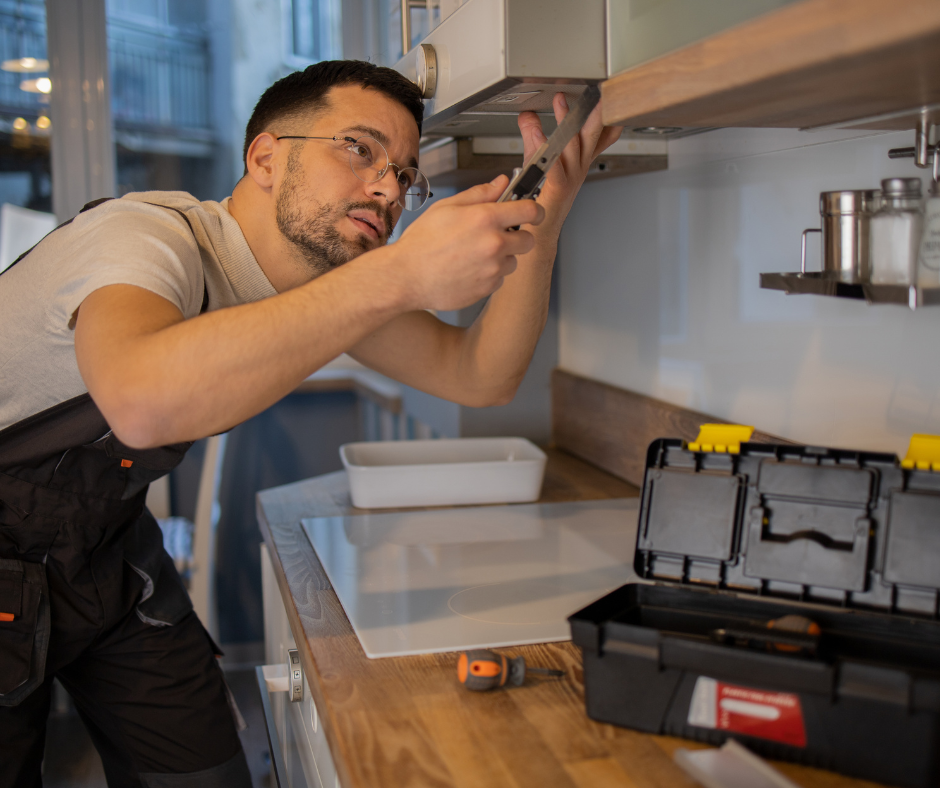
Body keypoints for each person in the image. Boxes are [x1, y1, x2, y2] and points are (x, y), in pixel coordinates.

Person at [0, 60, 621, 786]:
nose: (389, 189)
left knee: (206, 774)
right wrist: (398, 275)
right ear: (265, 157)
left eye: (403, 171)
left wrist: (540, 222)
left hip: (106, 556)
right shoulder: (144, 238)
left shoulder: (322, 282)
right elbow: (142, 402)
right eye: (357, 148)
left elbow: (478, 375)